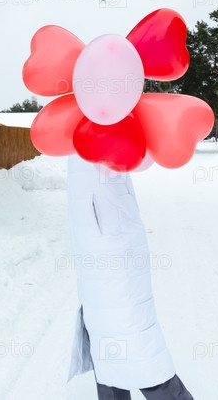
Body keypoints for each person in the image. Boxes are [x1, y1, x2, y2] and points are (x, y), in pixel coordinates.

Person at [66, 154, 194, 400]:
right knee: (106, 342)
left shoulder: (105, 137)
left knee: (134, 339)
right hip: (94, 239)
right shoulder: (77, 142)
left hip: (111, 238)